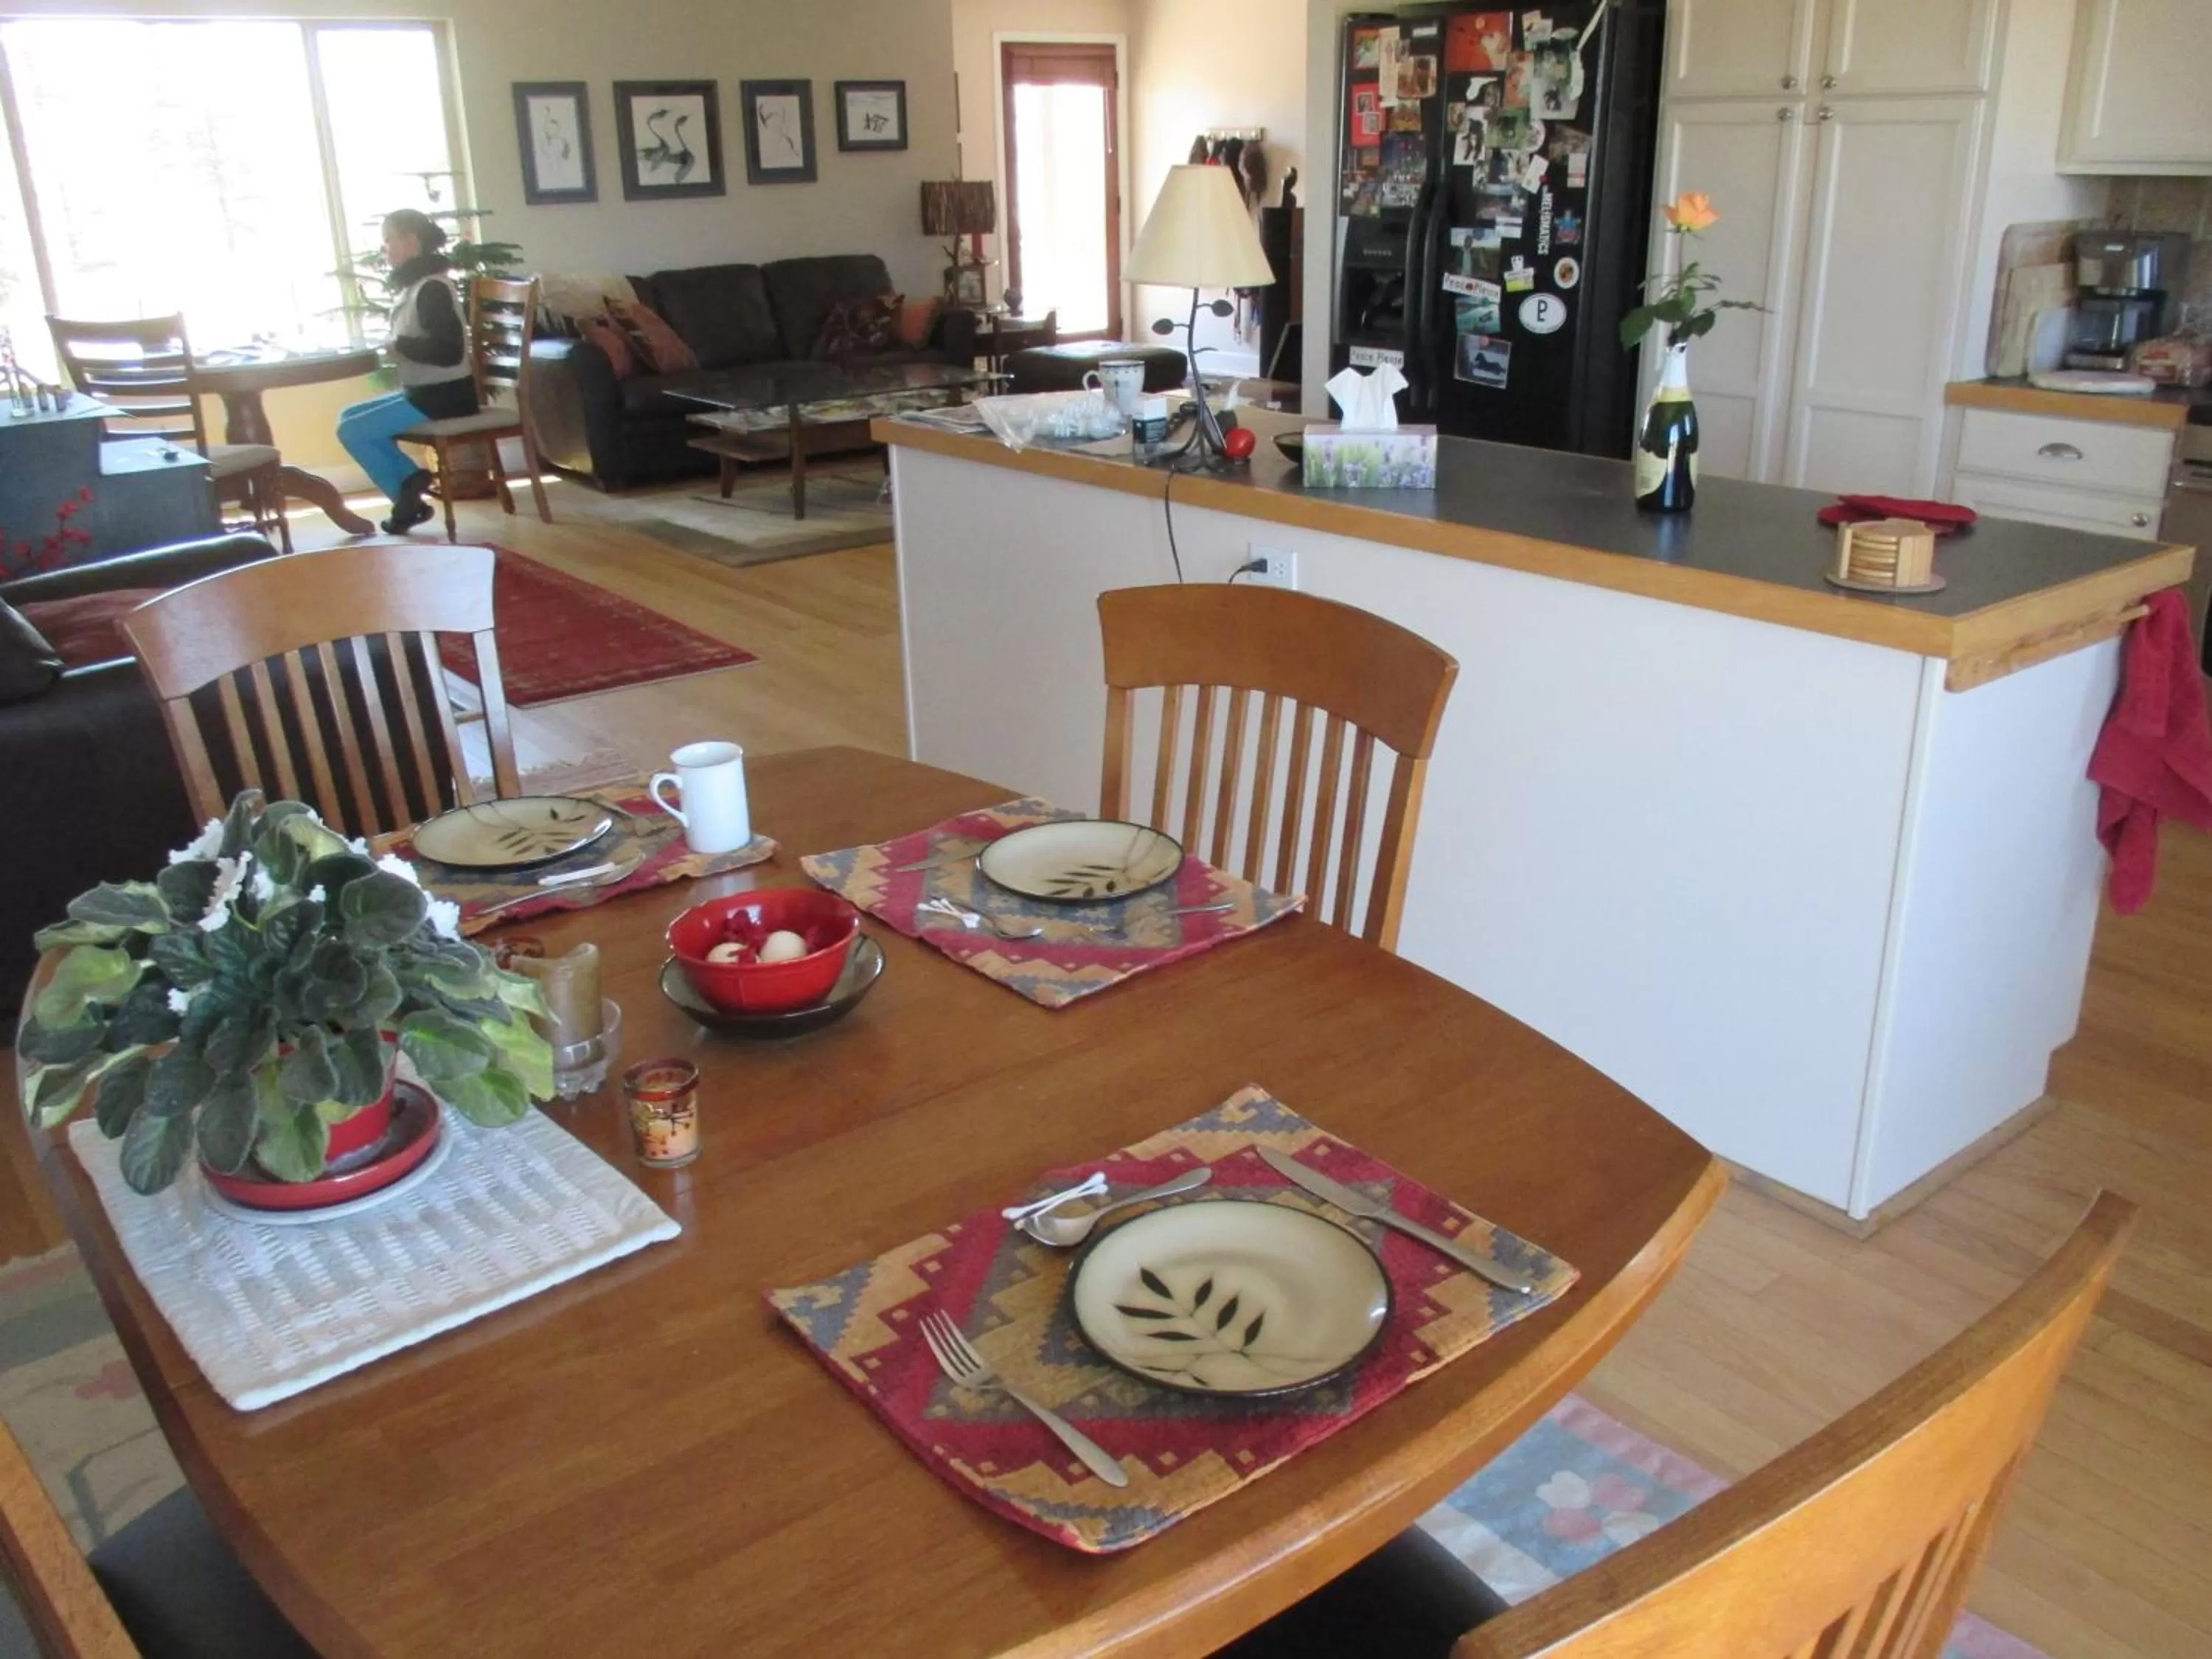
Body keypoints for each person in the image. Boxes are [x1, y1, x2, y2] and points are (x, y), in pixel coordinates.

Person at [335, 209, 478, 535]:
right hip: (425, 391)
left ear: (411, 242)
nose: (385, 249)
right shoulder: (416, 286)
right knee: (348, 417)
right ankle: (410, 488)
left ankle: (406, 498)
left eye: (389, 241)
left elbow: (449, 351)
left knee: (352, 431)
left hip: (446, 395)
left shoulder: (432, 289)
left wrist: (400, 346)